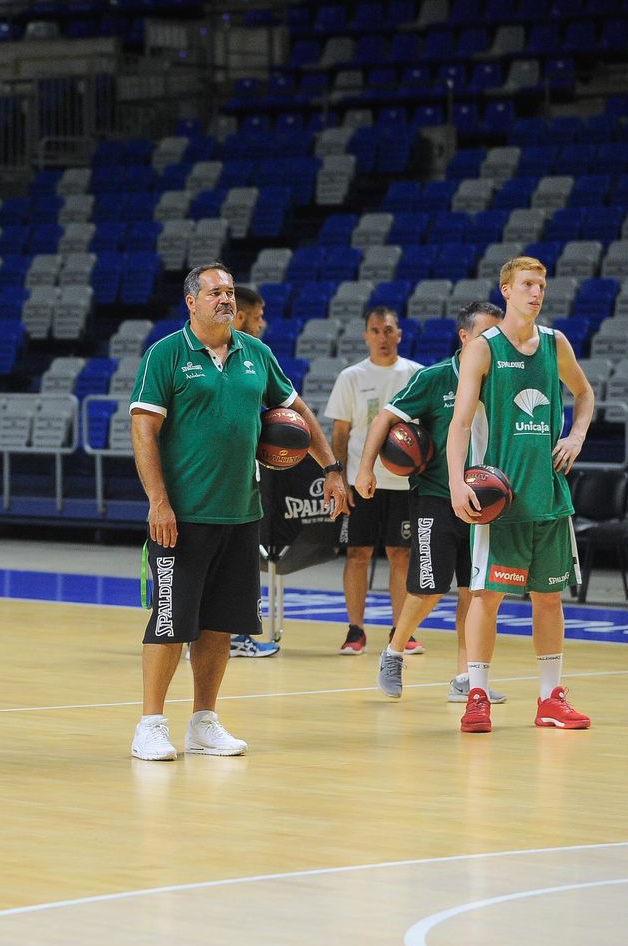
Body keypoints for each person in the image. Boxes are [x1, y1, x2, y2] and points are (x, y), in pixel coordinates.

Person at [129, 264, 347, 761]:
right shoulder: (166, 354)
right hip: (182, 517)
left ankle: (203, 722)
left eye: (229, 292)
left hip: (242, 513)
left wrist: (331, 467)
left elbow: (297, 412)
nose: (226, 299)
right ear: (192, 302)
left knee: (221, 624)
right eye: (215, 292)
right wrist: (158, 501)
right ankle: (150, 724)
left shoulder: (256, 354)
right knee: (169, 622)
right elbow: (143, 431)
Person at [445, 257, 596, 733]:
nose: (536, 293)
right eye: (528, 284)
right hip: (499, 500)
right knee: (486, 598)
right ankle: (476, 695)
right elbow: (460, 424)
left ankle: (550, 698)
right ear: (506, 290)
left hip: (548, 495)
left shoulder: (555, 343)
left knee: (549, 599)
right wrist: (456, 482)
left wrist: (576, 437)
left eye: (542, 286)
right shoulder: (483, 348)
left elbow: (585, 394)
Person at [354, 301, 508, 704]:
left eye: (499, 335)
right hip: (437, 497)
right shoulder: (435, 377)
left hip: (485, 503)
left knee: (475, 593)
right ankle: (394, 652)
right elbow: (384, 419)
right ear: (464, 336)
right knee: (427, 589)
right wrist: (366, 468)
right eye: (487, 335)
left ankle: (467, 679)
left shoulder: (503, 379)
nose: (494, 343)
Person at [324, 306, 423, 656]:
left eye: (389, 330)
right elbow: (340, 432)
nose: (383, 337)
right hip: (360, 481)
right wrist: (340, 477)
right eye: (376, 330)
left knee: (401, 555)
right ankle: (355, 630)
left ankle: (402, 632)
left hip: (405, 483)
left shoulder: (416, 374)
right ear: (366, 335)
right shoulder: (351, 376)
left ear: (399, 334)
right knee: (357, 554)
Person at [227, 283, 279, 659]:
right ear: (241, 317)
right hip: (211, 491)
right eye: (258, 318)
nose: (262, 325)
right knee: (230, 572)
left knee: (236, 571)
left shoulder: (256, 357)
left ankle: (227, 637)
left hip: (242, 486)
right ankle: (228, 637)